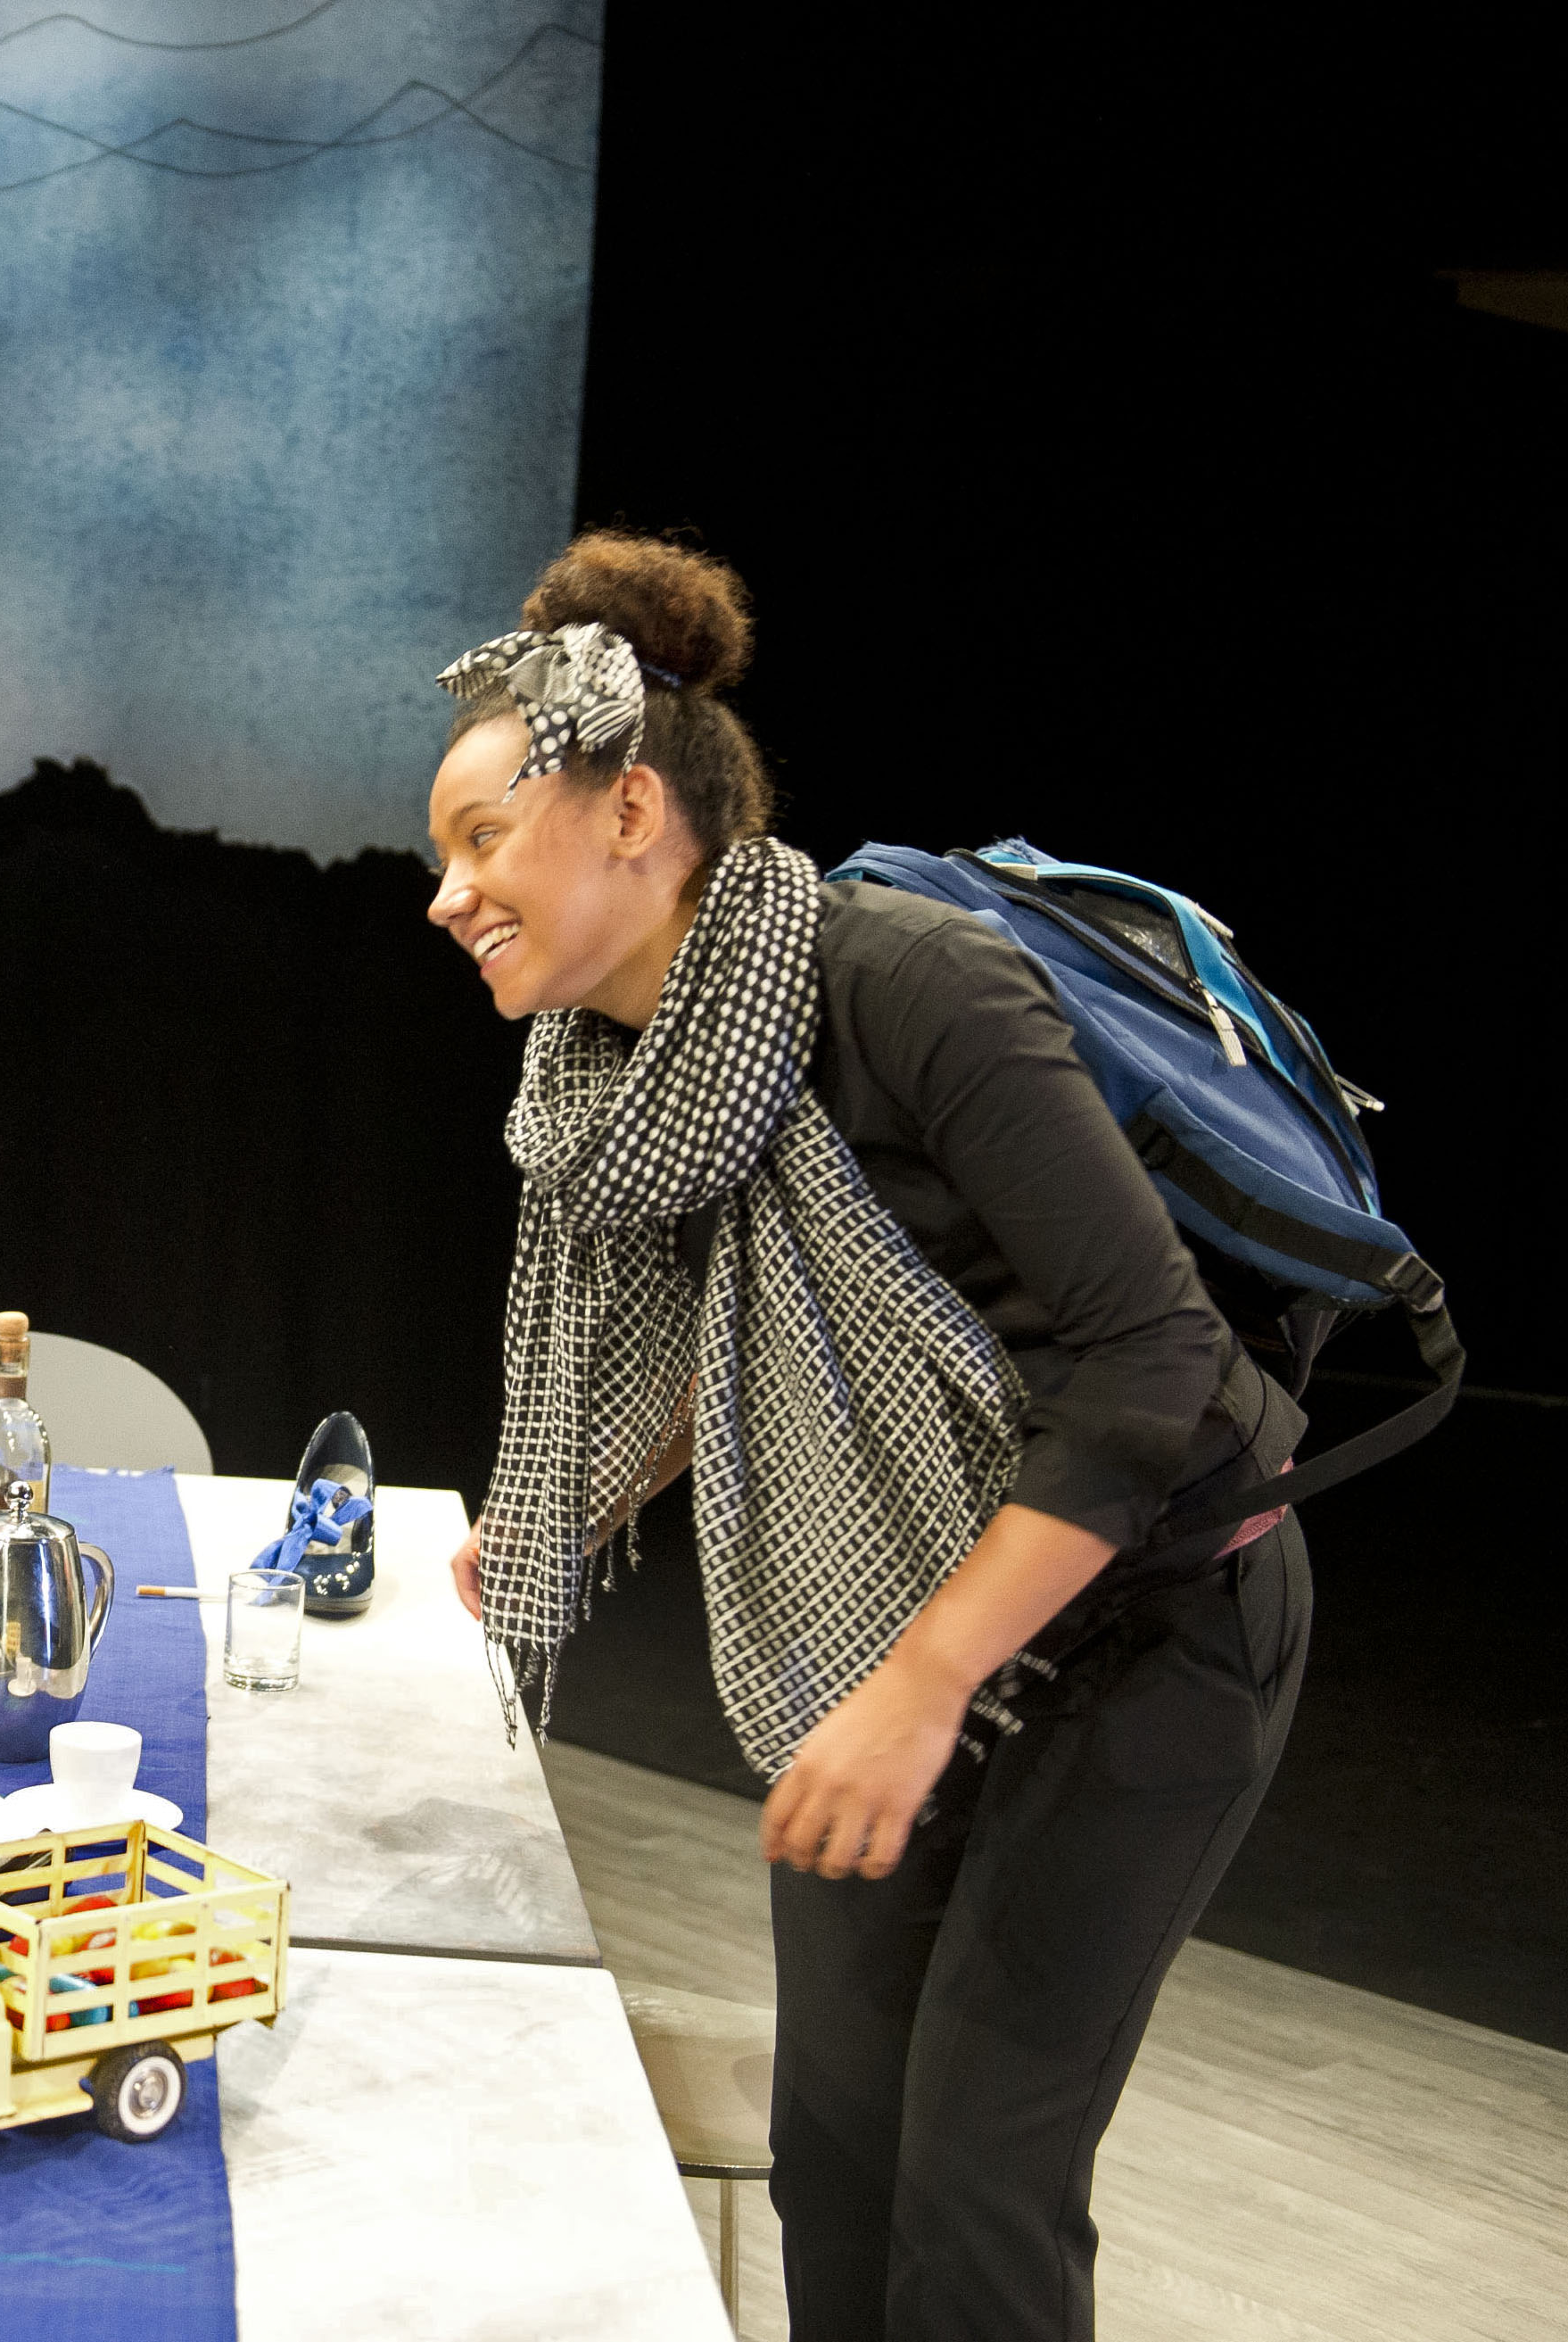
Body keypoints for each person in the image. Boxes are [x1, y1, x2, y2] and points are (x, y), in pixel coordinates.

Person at [429, 537, 1307, 2341]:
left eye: (476, 837)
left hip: (1146, 1630)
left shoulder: (905, 982)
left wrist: (915, 1686)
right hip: (888, 1631)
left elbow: (1153, 1370)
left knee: (972, 2187)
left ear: (627, 812)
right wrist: (576, 1490)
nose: (444, 895)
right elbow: (743, 1343)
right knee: (834, 2154)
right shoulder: (618, 1076)